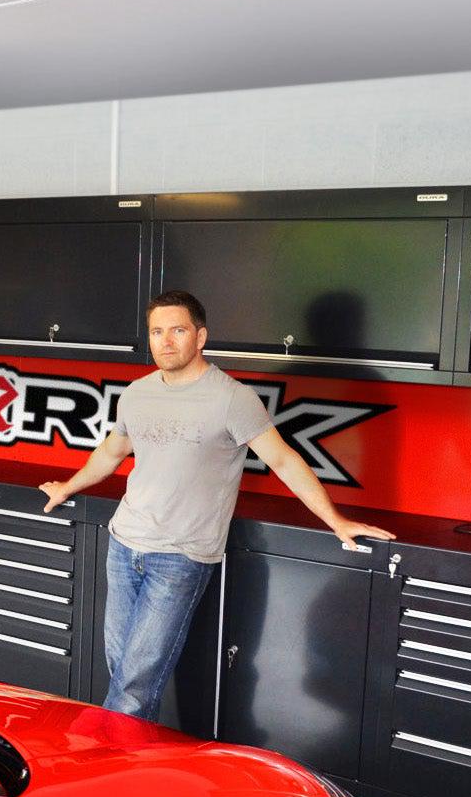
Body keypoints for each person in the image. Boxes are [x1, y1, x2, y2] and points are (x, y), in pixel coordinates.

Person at [39, 290, 396, 720]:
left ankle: (106, 769)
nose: (165, 341)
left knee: (133, 687)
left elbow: (283, 459)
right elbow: (112, 452)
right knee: (124, 674)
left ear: (200, 336)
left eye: (177, 330)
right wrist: (67, 487)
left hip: (180, 557)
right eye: (156, 331)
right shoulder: (137, 393)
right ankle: (135, 768)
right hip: (123, 545)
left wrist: (334, 519)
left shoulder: (232, 398)